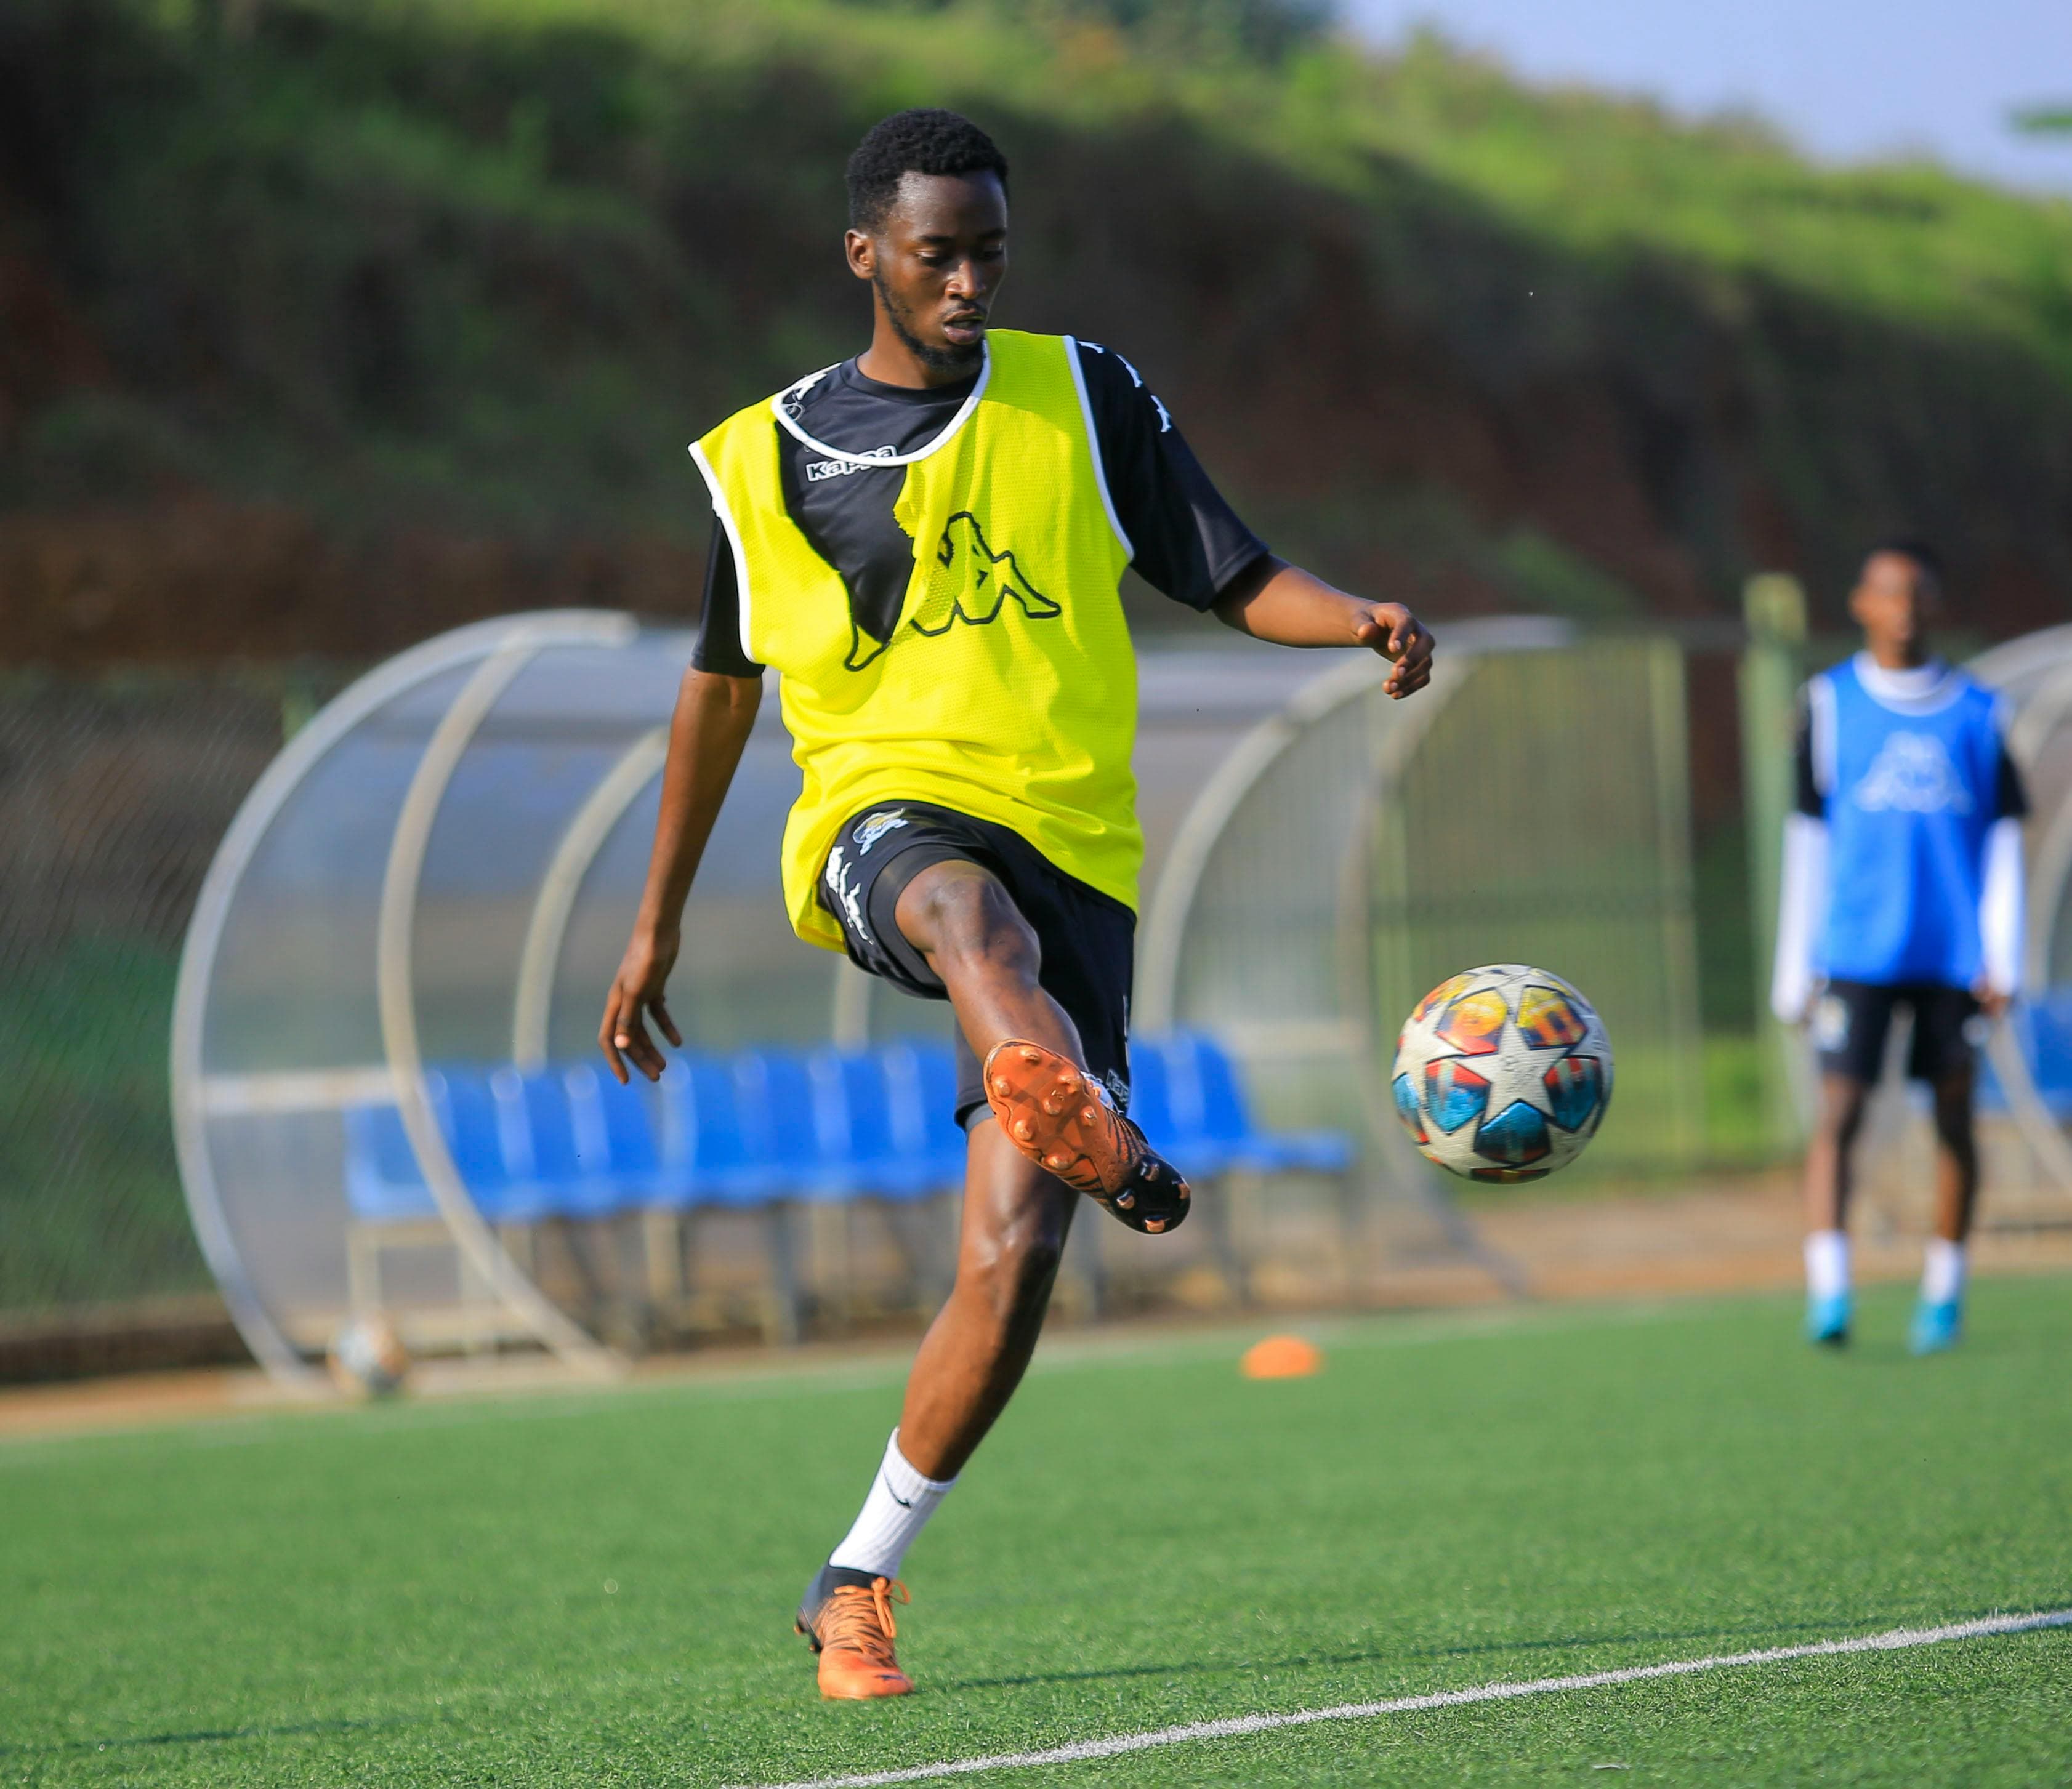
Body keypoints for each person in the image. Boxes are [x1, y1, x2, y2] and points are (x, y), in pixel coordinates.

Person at [599, 108, 1434, 1699]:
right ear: (865, 257)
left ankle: (854, 1577)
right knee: (962, 921)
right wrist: (655, 922)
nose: (971, 280)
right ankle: (1069, 1101)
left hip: (1078, 851)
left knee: (1010, 1253)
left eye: (990, 249)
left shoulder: (1085, 394)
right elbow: (717, 697)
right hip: (880, 820)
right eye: (937, 254)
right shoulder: (765, 458)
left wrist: (1355, 621)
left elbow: (1226, 568)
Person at [1771, 540, 2025, 1355]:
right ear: (1860, 603)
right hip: (1854, 951)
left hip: (1952, 955)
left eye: (1916, 593)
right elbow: (1806, 837)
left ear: (1934, 603)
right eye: (1888, 593)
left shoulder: (1980, 712)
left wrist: (2003, 954)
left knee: (1952, 1118)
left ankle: (1943, 1290)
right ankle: (1829, 1289)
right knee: (1838, 1111)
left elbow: (2005, 838)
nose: (1903, 608)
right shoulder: (1828, 704)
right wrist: (1793, 963)